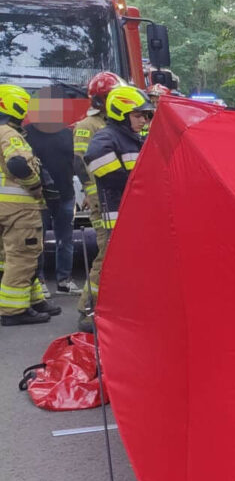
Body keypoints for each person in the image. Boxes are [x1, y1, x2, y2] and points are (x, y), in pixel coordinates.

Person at [78, 85, 153, 332]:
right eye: (139, 115)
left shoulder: (132, 138)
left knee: (132, 267)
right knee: (109, 266)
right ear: (121, 113)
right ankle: (89, 312)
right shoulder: (106, 138)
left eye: (145, 115)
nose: (144, 119)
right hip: (117, 216)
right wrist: (140, 180)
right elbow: (106, 173)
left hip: (133, 215)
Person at [0, 85, 62, 326]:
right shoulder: (9, 133)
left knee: (10, 256)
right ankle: (13, 311)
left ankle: (33, 300)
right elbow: (17, 164)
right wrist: (37, 185)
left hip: (6, 208)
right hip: (19, 208)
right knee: (24, 255)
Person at [73, 72, 119, 323]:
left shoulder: (112, 122)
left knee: (114, 251)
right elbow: (81, 165)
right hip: (100, 200)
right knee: (106, 253)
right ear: (101, 99)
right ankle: (87, 306)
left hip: (110, 198)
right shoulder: (87, 126)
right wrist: (93, 194)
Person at [24, 95, 78, 294]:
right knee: (38, 242)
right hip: (39, 197)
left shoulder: (67, 133)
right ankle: (40, 282)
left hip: (65, 195)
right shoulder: (26, 134)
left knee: (66, 240)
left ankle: (64, 281)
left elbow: (76, 161)